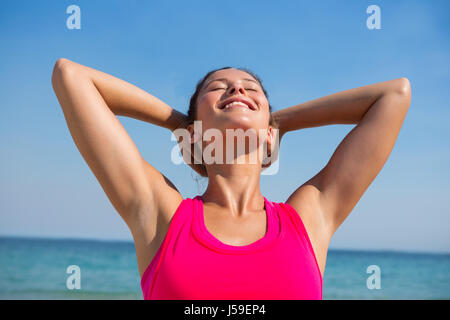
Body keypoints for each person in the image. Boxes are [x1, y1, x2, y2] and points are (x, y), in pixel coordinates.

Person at [51, 58, 411, 299]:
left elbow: (394, 96)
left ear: (269, 136)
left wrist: (278, 123)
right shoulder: (162, 214)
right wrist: (182, 126)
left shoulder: (308, 217)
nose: (237, 90)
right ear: (192, 135)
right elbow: (71, 76)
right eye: (218, 87)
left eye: (251, 89)